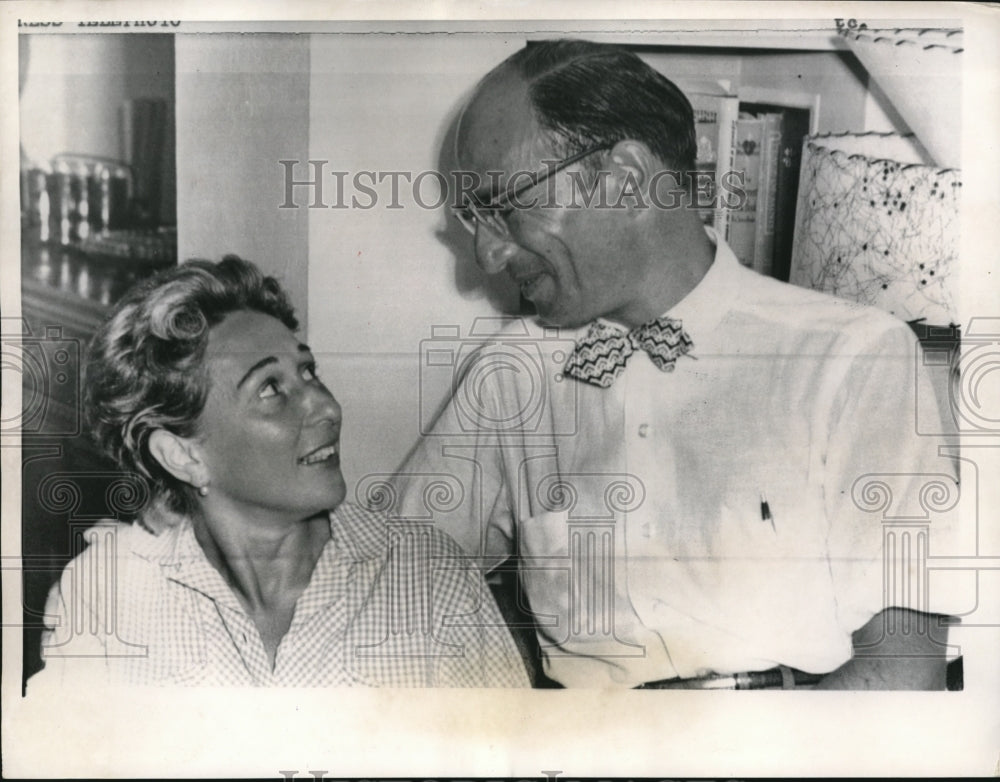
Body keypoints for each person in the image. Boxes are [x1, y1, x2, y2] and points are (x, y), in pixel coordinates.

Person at [391, 40, 964, 689]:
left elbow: (900, 675)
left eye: (502, 208)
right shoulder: (511, 375)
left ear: (627, 181)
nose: (489, 257)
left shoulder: (853, 360)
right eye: (474, 219)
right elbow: (380, 577)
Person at [30, 256, 528, 688]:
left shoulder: (428, 577)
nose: (326, 407)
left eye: (308, 371)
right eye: (270, 388)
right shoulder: (111, 595)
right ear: (184, 456)